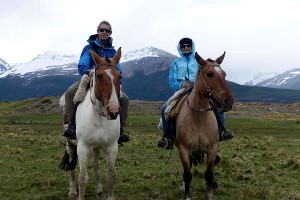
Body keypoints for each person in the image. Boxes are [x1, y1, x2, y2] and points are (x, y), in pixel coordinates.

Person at [157, 37, 234, 149]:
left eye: (188, 45)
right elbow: (172, 81)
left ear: (192, 47)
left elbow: (207, 74)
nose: (186, 48)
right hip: (182, 90)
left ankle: (222, 130)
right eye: (183, 46)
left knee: (216, 104)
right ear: (180, 48)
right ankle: (167, 137)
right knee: (165, 108)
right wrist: (181, 84)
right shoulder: (176, 63)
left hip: (199, 89)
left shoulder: (199, 61)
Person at [63, 20, 129, 144]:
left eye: (107, 30)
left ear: (110, 33)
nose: (104, 32)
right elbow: (83, 63)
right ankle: (70, 125)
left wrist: (118, 78)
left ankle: (120, 130)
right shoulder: (89, 48)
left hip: (107, 81)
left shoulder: (112, 51)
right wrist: (88, 72)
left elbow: (117, 68)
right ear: (97, 31)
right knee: (71, 92)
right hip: (91, 77)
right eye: (101, 30)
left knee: (124, 99)